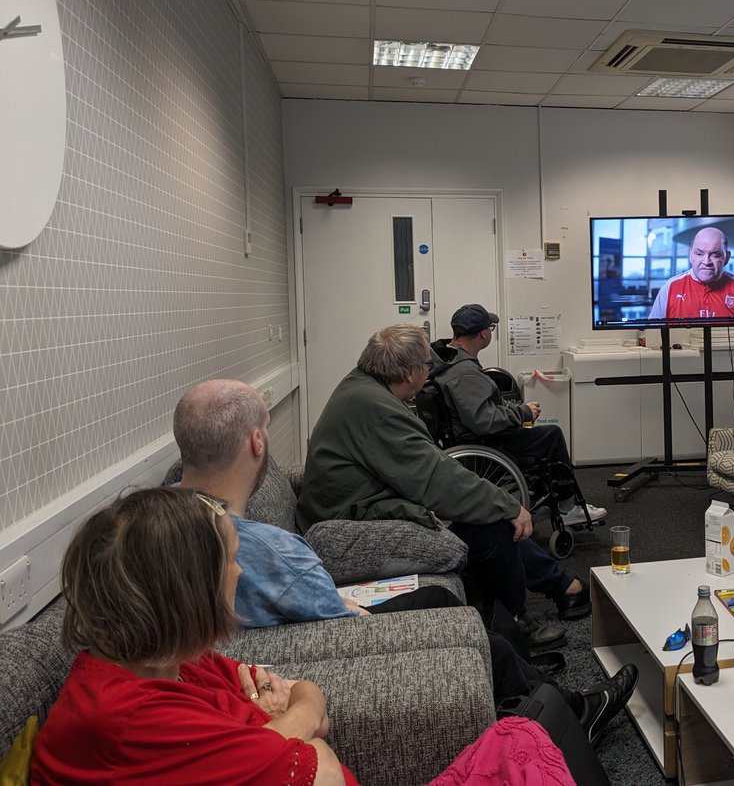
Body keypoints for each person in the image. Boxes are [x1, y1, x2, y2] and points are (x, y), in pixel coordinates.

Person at [171, 379, 637, 744]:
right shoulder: (266, 549)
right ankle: (573, 712)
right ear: (257, 443)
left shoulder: (154, 520)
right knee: (475, 632)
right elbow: (341, 620)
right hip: (322, 642)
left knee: (437, 594)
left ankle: (524, 677)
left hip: (276, 638)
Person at [30, 486, 577, 785]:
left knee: (521, 739)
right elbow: (323, 767)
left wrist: (291, 723)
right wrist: (298, 720)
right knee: (527, 744)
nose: (239, 575)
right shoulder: (130, 720)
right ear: (186, 590)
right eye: (230, 563)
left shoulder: (173, 661)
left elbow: (313, 706)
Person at [297, 324, 590, 640]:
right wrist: (508, 504)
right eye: (426, 365)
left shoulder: (361, 388)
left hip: (353, 508)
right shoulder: (377, 410)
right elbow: (436, 479)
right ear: (410, 373)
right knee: (493, 526)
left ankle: (561, 588)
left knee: (485, 513)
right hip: (349, 528)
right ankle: (515, 623)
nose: (430, 371)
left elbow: (427, 471)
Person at [431, 303, 606, 529]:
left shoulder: (448, 360)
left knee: (536, 435)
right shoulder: (463, 373)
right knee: (551, 435)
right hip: (484, 443)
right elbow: (483, 421)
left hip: (469, 436)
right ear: (484, 333)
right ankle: (567, 506)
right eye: (490, 328)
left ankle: (548, 496)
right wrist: (523, 412)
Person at [648, 226, 734, 320]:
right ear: (690, 255)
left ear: (727, 258)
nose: (706, 262)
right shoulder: (670, 288)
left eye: (715, 255)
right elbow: (653, 335)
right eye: (699, 254)